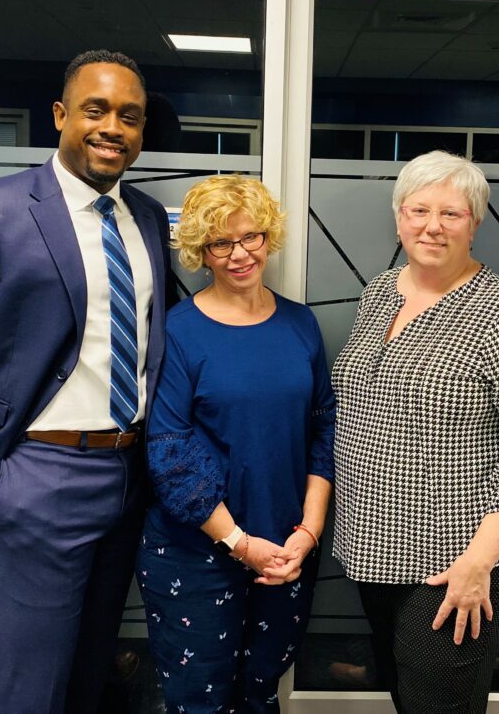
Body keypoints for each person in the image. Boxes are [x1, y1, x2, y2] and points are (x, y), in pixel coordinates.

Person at [0, 50, 172, 714]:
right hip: (37, 476)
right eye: (97, 109)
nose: (114, 126)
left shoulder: (144, 218)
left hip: (127, 476)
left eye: (130, 116)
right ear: (60, 115)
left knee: (89, 677)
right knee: (29, 688)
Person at [332, 150, 499, 714]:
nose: (432, 226)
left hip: (463, 554)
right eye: (418, 210)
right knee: (404, 688)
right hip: (374, 546)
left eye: (451, 214)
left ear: (475, 223)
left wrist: (477, 564)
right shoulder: (380, 293)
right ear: (398, 216)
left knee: (439, 699)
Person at [136, 176, 335, 712]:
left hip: (286, 551)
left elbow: (323, 431)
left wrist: (309, 534)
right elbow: (169, 453)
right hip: (196, 555)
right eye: (220, 243)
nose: (240, 254)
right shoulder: (177, 331)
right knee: (198, 703)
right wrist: (241, 544)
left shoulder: (301, 323)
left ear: (268, 237)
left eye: (251, 237)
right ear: (201, 252)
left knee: (260, 695)